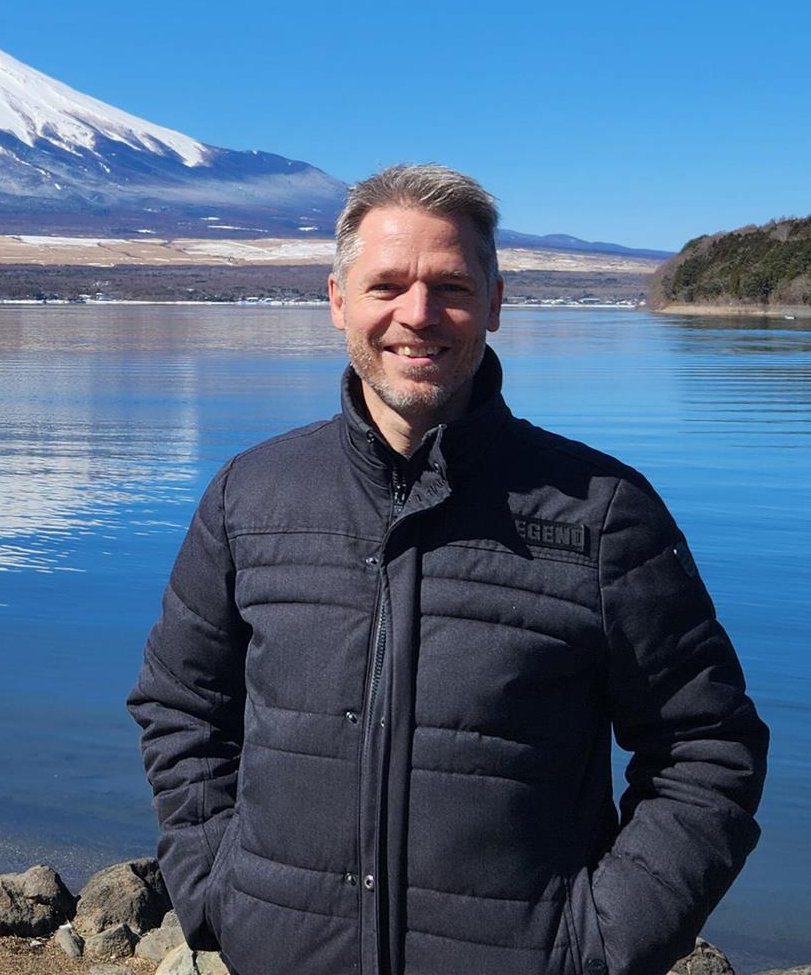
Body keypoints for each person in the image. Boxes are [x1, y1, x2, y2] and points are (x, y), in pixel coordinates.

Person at [127, 165, 766, 975]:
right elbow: (179, 706)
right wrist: (220, 893)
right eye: (386, 285)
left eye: (452, 287)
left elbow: (708, 747)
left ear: (495, 303)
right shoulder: (249, 498)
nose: (418, 315)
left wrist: (600, 943)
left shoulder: (601, 513)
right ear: (338, 301)